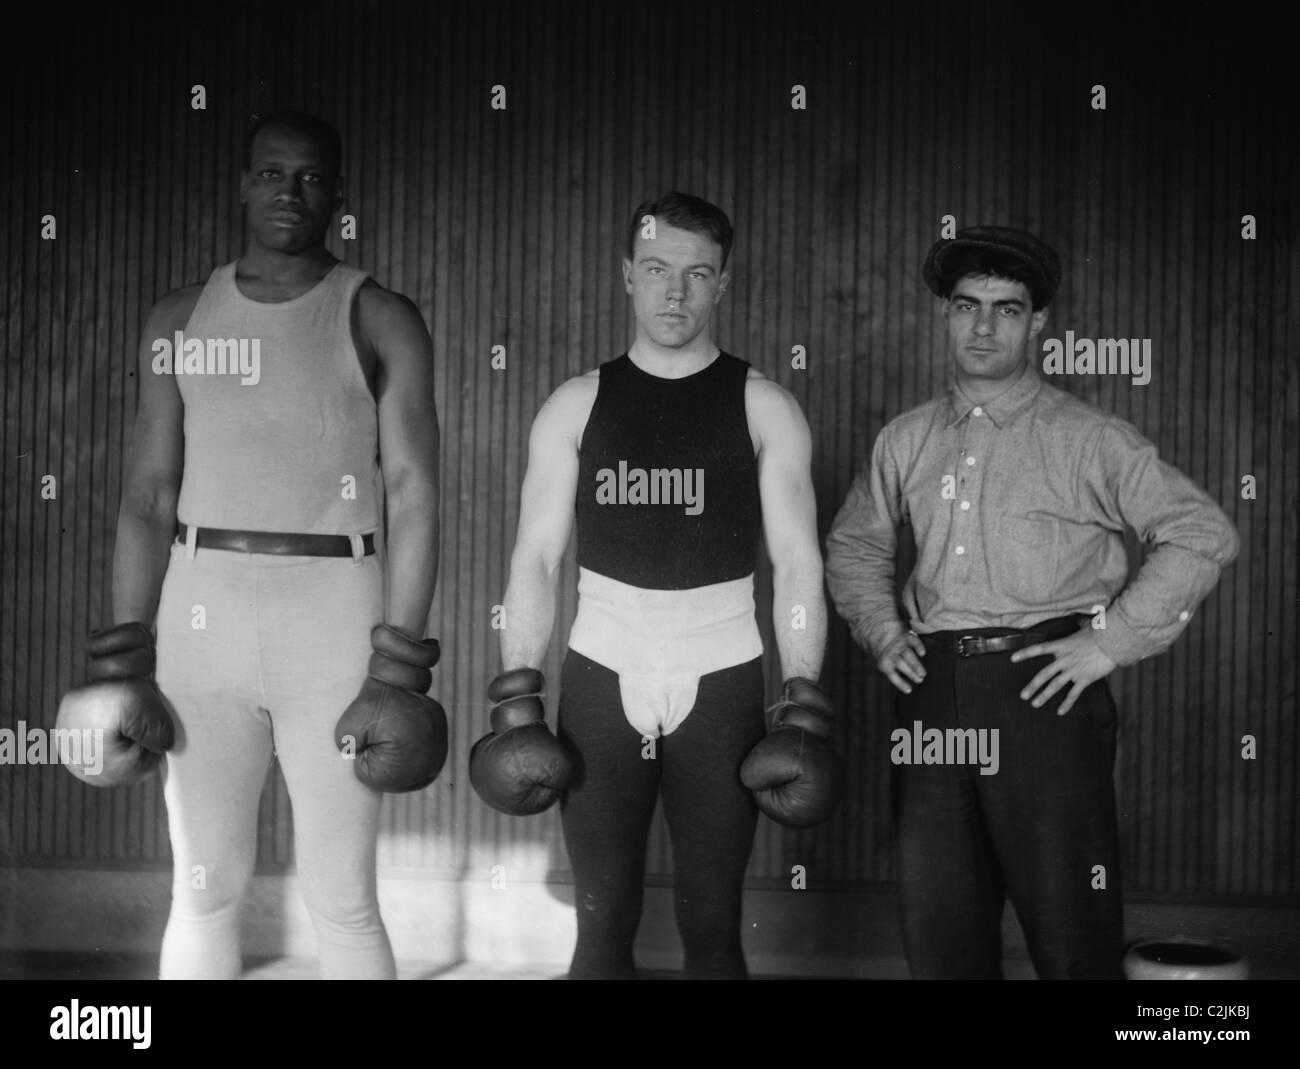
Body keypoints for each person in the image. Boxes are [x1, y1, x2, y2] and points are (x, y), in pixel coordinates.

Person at [57, 111, 445, 980]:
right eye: (272, 174)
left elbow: (415, 493)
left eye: (310, 178)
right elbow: (148, 495)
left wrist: (399, 664)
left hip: (337, 614)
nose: (289, 192)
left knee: (342, 896)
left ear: (338, 196)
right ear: (242, 184)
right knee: (203, 886)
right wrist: (126, 651)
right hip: (204, 611)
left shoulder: (380, 316)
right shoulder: (177, 317)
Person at [825, 225, 1239, 979]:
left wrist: (1109, 640)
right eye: (967, 305)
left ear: (1038, 322)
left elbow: (1203, 532)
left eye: (1007, 309)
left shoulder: (1087, 437)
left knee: (1069, 928)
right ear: (946, 314)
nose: (983, 326)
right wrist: (883, 630)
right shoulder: (905, 439)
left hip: (1044, 694)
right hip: (932, 693)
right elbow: (856, 546)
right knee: (941, 925)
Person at [468, 192, 838, 980]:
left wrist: (802, 697)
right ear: (627, 274)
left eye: (698, 273)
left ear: (723, 284)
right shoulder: (576, 403)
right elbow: (534, 558)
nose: (676, 292)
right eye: (659, 270)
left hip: (724, 671)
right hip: (603, 670)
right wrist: (518, 699)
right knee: (603, 924)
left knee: (712, 924)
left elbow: (799, 561)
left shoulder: (765, 404)